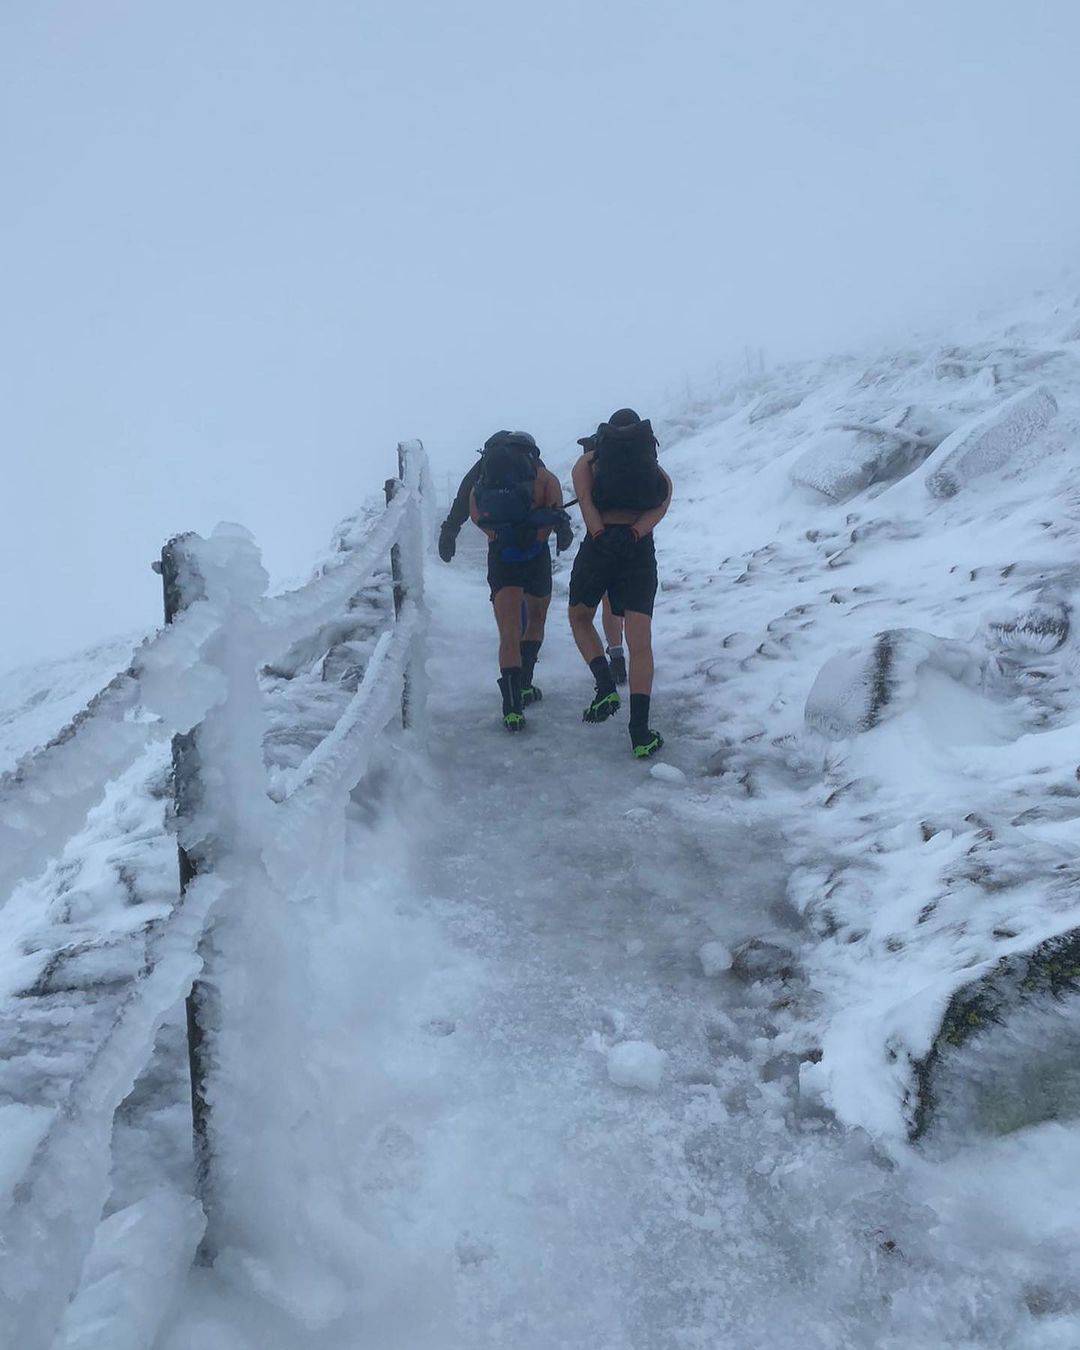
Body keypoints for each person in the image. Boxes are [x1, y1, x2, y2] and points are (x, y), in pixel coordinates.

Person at [567, 409, 672, 758]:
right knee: (640, 641)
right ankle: (640, 733)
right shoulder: (653, 469)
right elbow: (661, 504)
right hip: (638, 549)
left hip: (599, 546)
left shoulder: (590, 462)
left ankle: (605, 684)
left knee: (580, 617)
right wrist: (634, 533)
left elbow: (584, 498)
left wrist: (600, 534)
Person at [469, 431, 570, 731]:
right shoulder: (546, 478)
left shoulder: (486, 480)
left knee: (509, 631)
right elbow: (556, 516)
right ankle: (526, 684)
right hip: (535, 556)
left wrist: (501, 536)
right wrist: (537, 537)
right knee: (536, 617)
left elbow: (478, 516)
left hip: (502, 557)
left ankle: (511, 708)